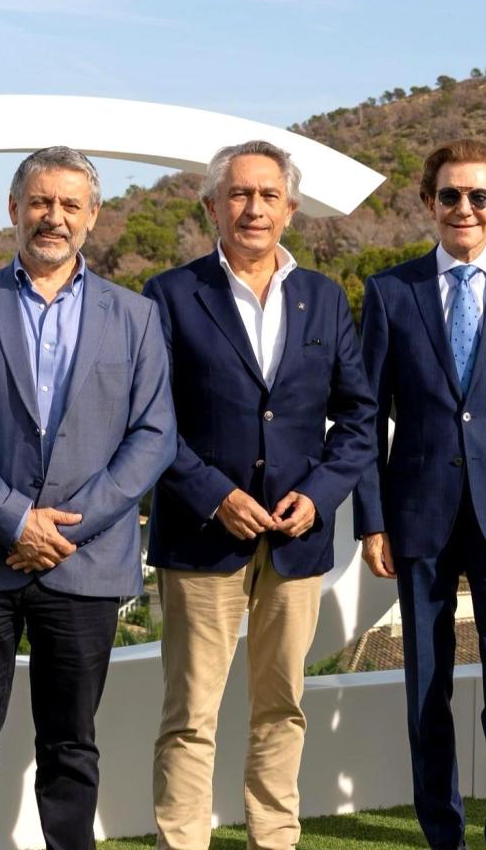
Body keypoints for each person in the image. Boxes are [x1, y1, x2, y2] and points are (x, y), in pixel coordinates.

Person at [0, 146, 177, 850]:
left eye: (69, 205)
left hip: (82, 564)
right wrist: (11, 519)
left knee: (71, 746)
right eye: (39, 202)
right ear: (13, 210)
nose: (52, 217)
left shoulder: (136, 317)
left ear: (92, 218)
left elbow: (154, 436)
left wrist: (68, 528)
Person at [142, 140, 376, 850]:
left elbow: (360, 418)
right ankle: (182, 840)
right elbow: (151, 419)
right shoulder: (172, 294)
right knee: (191, 712)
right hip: (201, 535)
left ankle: (274, 838)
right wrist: (214, 494)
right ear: (212, 206)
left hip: (296, 538)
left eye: (268, 195)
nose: (253, 208)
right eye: (238, 194)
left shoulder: (325, 297)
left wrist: (321, 494)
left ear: (291, 208)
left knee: (282, 706)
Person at [355, 139, 486, 850]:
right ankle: (442, 835)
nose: (465, 208)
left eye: (480, 196)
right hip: (418, 515)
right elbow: (366, 416)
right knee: (426, 692)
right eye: (451, 195)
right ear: (429, 203)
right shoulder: (390, 293)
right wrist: (372, 519)